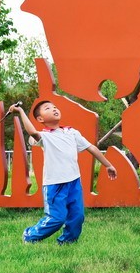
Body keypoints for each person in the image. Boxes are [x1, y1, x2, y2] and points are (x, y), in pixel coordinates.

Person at [10, 100, 118, 244]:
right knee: (57, 219)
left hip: (74, 182)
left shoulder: (71, 132)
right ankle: (30, 235)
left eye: (55, 107)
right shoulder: (44, 136)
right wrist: (20, 111)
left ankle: (67, 242)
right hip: (54, 185)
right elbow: (32, 132)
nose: (54, 109)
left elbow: (91, 147)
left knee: (77, 216)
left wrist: (108, 165)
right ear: (40, 119)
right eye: (48, 108)